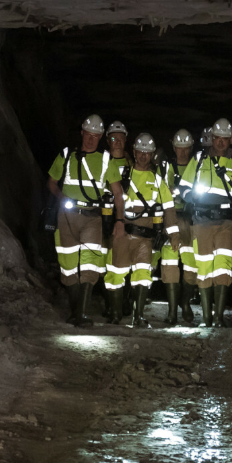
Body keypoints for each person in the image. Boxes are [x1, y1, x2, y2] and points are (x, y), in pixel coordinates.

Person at [182, 118, 232, 327]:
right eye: (217, 138)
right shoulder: (199, 159)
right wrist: (192, 197)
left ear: (230, 141)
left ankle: (218, 318)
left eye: (225, 139)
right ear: (212, 138)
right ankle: (206, 319)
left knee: (222, 268)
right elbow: (183, 187)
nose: (220, 142)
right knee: (203, 267)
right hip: (200, 221)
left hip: (225, 223)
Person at [47, 114, 126, 325]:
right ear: (82, 132)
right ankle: (75, 312)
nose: (91, 139)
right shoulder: (66, 155)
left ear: (100, 137)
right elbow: (52, 182)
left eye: (95, 136)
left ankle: (81, 314)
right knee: (69, 264)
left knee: (90, 265)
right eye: (88, 134)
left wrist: (120, 221)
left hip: (93, 217)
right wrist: (61, 197)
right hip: (66, 217)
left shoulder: (105, 160)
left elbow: (118, 193)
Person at [104, 133, 179, 328]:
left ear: (153, 154)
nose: (144, 156)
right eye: (141, 152)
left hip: (145, 237)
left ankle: (138, 317)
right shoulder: (123, 175)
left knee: (143, 275)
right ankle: (115, 313)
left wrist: (174, 233)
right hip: (123, 233)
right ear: (134, 152)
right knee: (116, 273)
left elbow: (169, 206)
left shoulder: (156, 179)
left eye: (148, 153)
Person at [161, 128, 198, 325]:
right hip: (171, 218)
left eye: (186, 148)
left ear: (191, 148)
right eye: (179, 148)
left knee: (191, 266)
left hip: (191, 220)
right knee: (169, 266)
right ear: (173, 147)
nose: (182, 152)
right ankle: (171, 312)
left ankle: (185, 304)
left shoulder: (198, 167)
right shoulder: (166, 167)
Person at [101, 120, 130, 320]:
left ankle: (123, 303)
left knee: (122, 262)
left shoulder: (132, 164)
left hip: (125, 218)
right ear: (108, 140)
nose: (117, 142)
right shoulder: (101, 162)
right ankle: (109, 304)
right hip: (102, 217)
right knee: (104, 262)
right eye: (114, 138)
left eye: (121, 138)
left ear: (126, 140)